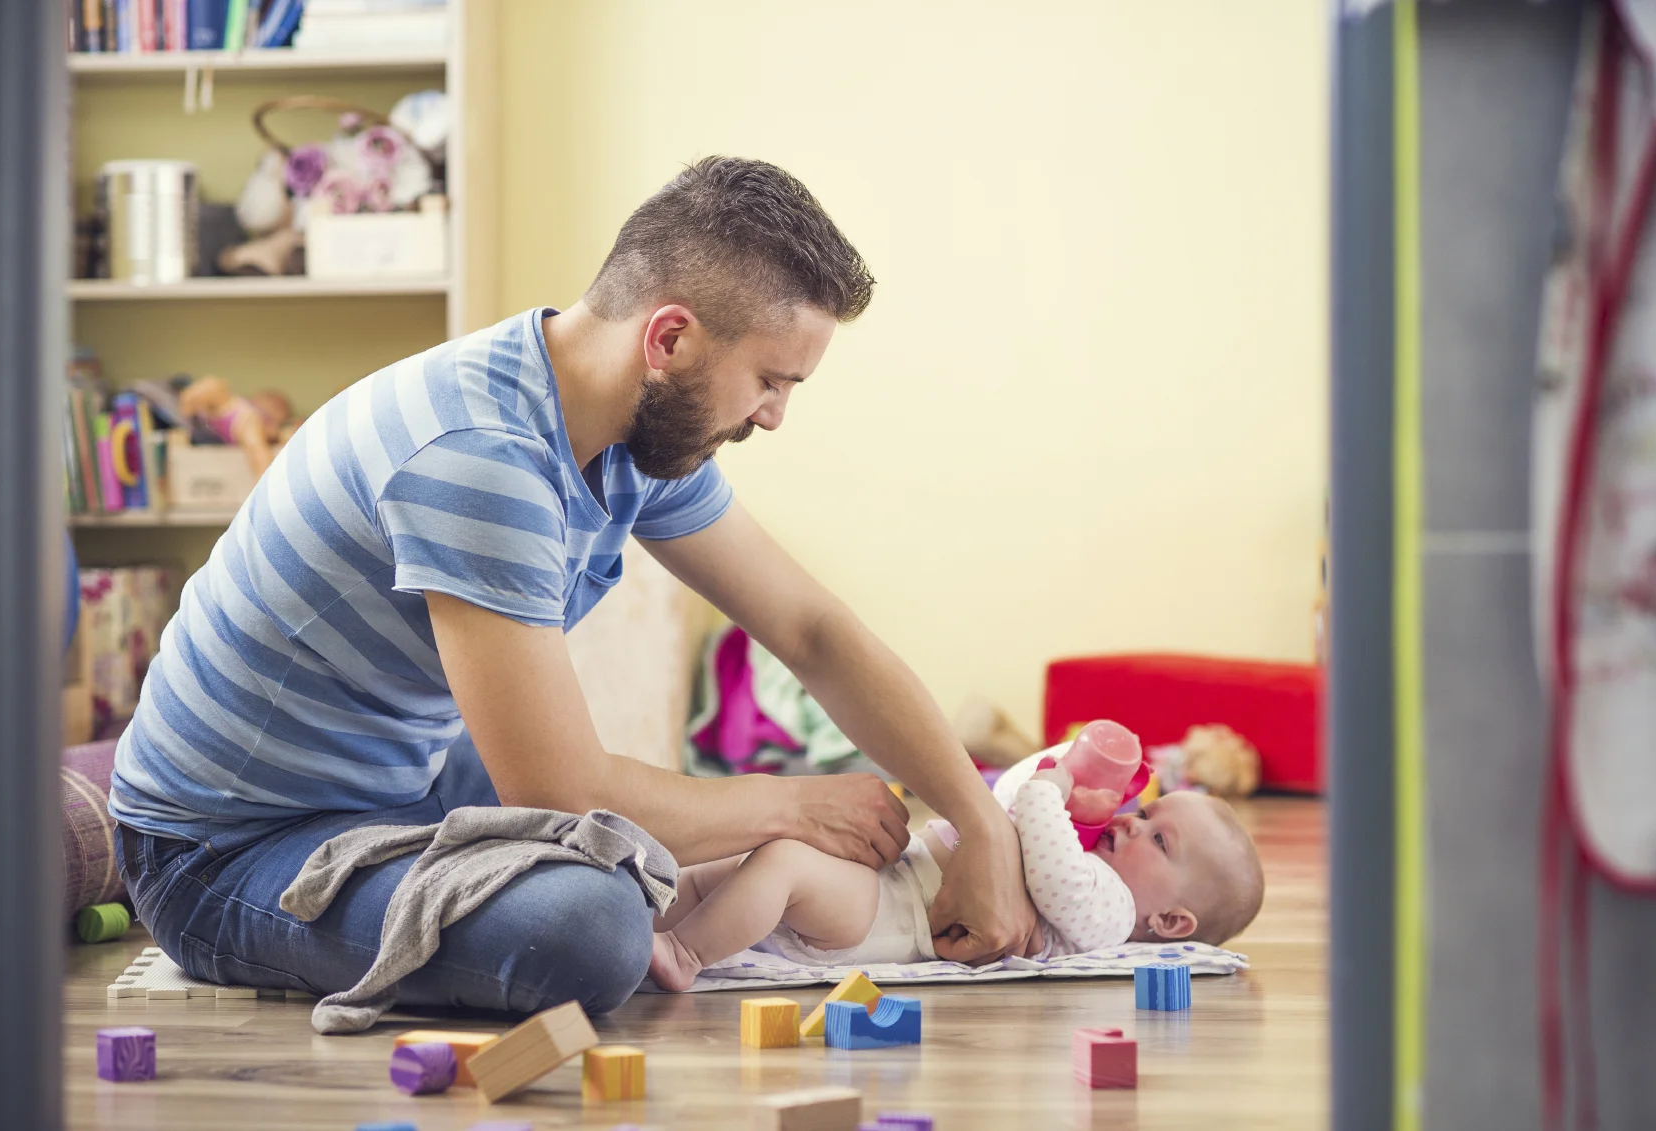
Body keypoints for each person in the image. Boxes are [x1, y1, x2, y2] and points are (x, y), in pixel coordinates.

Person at [109, 156, 1037, 1016]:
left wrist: (979, 819)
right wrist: (793, 803)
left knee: (640, 843)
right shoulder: (480, 457)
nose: (773, 415)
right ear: (669, 337)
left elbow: (812, 630)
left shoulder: (631, 433)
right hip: (221, 853)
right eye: (768, 379)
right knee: (593, 925)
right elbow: (559, 784)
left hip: (398, 780)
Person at [647, 748, 1266, 991]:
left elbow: (1050, 867)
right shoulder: (1084, 853)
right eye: (1144, 811)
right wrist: (1058, 770)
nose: (1130, 822)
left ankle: (684, 952)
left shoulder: (1108, 910)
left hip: (890, 920)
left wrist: (1051, 795)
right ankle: (653, 914)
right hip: (891, 885)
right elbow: (1002, 801)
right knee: (744, 863)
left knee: (782, 864)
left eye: (1159, 839)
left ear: (1172, 920)